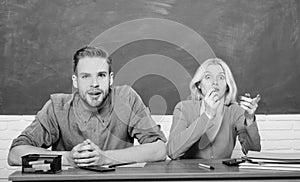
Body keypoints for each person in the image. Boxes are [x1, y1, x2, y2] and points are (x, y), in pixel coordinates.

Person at [8, 46, 167, 167]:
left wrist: (104, 157)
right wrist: (68, 158)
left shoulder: (126, 99)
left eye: (101, 75)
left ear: (110, 79)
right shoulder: (57, 107)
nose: (95, 84)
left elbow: (159, 149)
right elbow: (15, 154)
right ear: (75, 81)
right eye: (86, 76)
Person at [167, 58, 261, 159]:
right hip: (190, 174)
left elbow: (253, 151)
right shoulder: (184, 108)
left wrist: (250, 119)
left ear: (227, 86)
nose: (215, 82)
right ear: (199, 85)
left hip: (222, 174)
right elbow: (173, 152)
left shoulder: (235, 111)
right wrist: (206, 116)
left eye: (221, 77)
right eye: (208, 77)